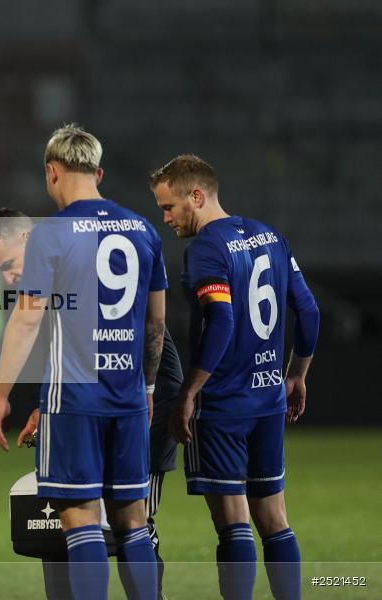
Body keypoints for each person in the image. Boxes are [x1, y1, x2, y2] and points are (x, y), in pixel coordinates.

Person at [0, 124, 166, 600]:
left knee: (81, 519)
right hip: (128, 398)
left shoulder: (52, 233)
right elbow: (156, 327)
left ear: (52, 172)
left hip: (74, 398)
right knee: (133, 520)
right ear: (99, 172)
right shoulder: (144, 229)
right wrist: (147, 391)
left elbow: (27, 321)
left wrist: (1, 394)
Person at [149, 155, 320, 600]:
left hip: (223, 403)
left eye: (169, 207)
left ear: (197, 196)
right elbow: (308, 310)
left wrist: (190, 390)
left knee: (234, 526)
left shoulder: (206, 248)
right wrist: (296, 374)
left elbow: (220, 321)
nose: (165, 218)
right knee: (275, 522)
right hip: (268, 399)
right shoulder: (271, 236)